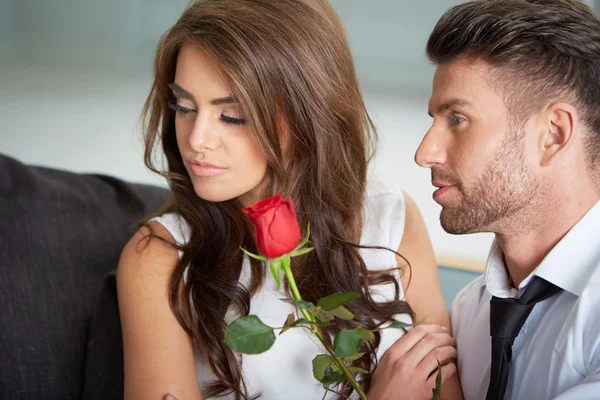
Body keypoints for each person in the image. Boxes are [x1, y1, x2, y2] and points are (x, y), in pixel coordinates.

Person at [117, 0, 462, 399]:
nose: (196, 140)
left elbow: (444, 388)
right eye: (184, 107)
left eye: (232, 116)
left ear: (309, 112)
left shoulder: (390, 216)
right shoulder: (160, 258)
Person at [415, 0, 600, 399]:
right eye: (433, 120)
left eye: (457, 120)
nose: (424, 152)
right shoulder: (469, 310)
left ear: (553, 133)